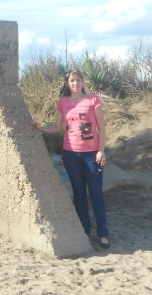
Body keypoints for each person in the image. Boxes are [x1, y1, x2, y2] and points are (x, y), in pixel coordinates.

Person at [30, 69, 110, 249]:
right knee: (79, 194)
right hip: (70, 154)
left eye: (78, 80)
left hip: (92, 154)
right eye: (72, 80)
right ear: (68, 83)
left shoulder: (93, 100)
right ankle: (85, 231)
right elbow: (58, 127)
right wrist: (41, 128)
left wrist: (101, 151)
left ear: (82, 82)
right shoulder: (63, 102)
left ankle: (103, 234)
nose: (75, 83)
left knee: (96, 195)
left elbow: (102, 129)